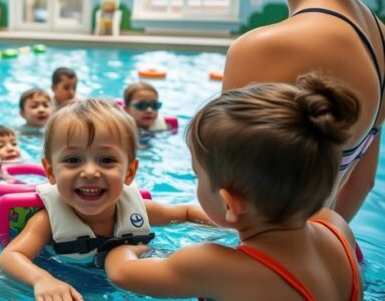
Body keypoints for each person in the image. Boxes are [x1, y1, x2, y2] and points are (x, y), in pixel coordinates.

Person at [104, 73, 363, 300]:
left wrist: (122, 248)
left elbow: (122, 274)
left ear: (229, 204)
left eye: (198, 177)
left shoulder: (214, 265)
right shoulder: (336, 227)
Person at [224, 0, 385, 222]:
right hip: (328, 256)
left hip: (263, 268)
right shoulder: (378, 33)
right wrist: (325, 252)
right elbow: (362, 181)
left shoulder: (264, 46)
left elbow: (229, 202)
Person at [0, 99, 209, 300]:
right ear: (50, 172)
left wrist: (233, 228)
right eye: (73, 160)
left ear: (129, 172)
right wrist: (42, 280)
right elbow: (10, 257)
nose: (89, 172)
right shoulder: (47, 221)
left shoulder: (139, 209)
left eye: (107, 160)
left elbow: (187, 213)